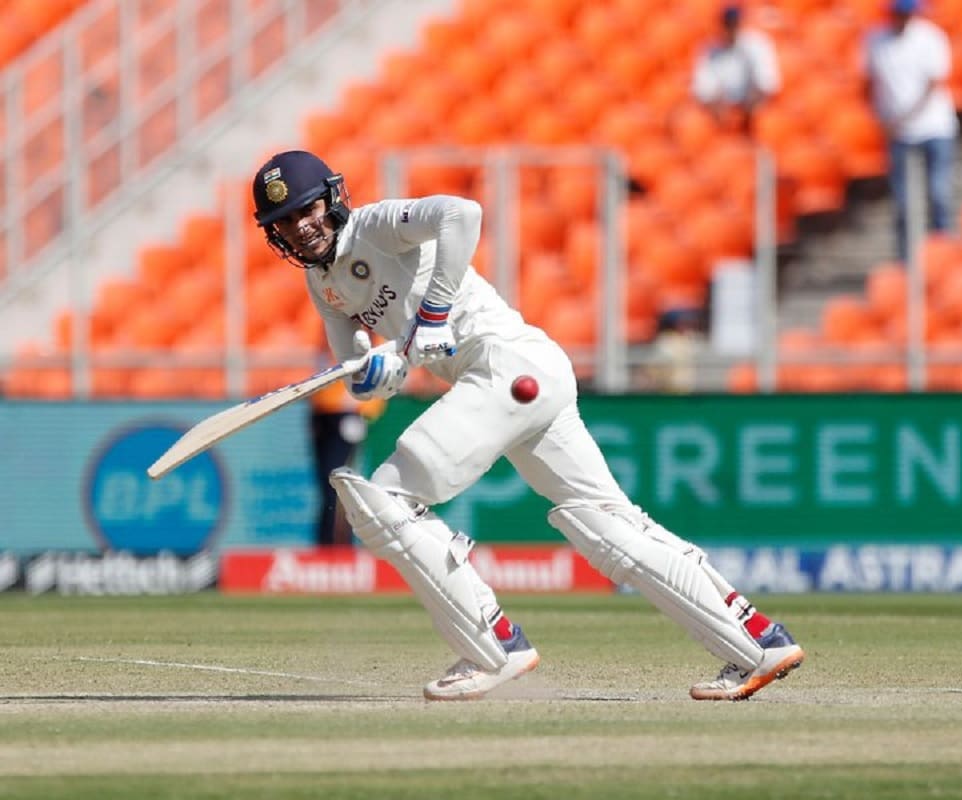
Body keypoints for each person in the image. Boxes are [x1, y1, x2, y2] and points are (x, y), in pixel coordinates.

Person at [250, 149, 805, 701]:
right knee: (607, 527)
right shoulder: (322, 285)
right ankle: (758, 643)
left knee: (387, 500)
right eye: (285, 223)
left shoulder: (373, 225)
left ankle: (494, 647)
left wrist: (436, 313)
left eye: (307, 210)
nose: (300, 228)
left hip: (506, 366)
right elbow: (359, 371)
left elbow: (461, 213)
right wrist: (379, 372)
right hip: (524, 375)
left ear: (333, 198)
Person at [864, 0, 959, 261]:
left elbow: (933, 84)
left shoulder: (930, 37)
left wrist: (903, 117)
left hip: (934, 126)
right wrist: (880, 118)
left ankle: (943, 256)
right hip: (898, 132)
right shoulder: (874, 39)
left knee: (938, 194)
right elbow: (869, 82)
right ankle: (905, 261)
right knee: (902, 200)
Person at [308, 380, 383, 546]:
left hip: (348, 411)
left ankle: (340, 544)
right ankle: (327, 543)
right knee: (327, 485)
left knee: (340, 484)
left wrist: (366, 407)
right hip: (322, 410)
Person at [690, 3, 781, 132]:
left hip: (753, 109)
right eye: (728, 23)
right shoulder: (709, 50)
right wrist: (719, 108)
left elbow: (766, 85)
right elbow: (703, 90)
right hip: (722, 111)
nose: (732, 28)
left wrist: (747, 109)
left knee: (768, 120)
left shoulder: (757, 44)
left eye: (735, 23)